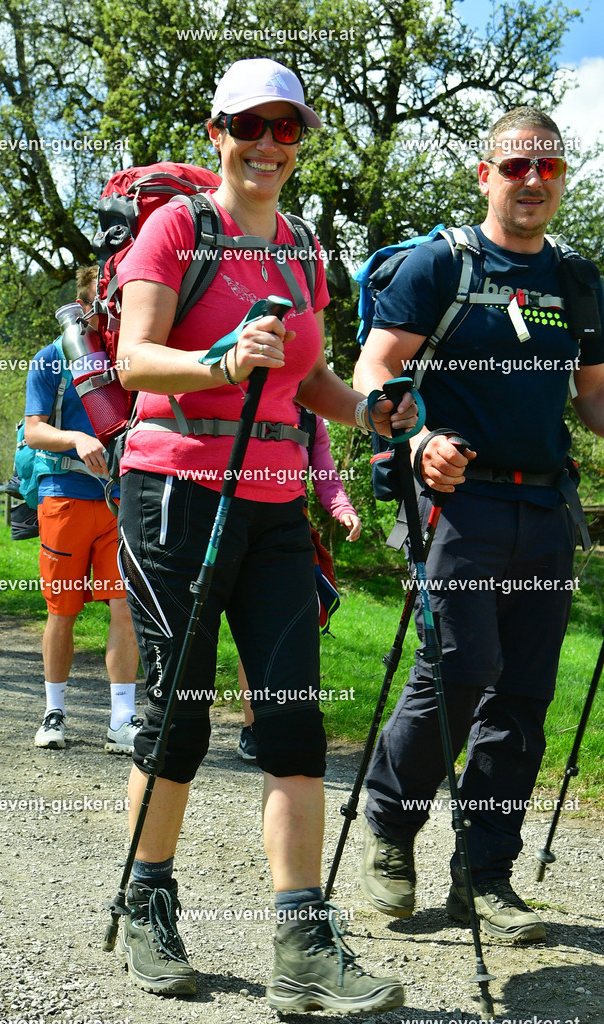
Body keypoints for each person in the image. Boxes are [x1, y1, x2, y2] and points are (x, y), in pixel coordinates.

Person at [113, 58, 414, 1012]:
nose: (269, 144)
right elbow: (133, 360)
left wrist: (366, 410)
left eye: (287, 129)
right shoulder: (178, 227)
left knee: (290, 715)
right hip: (173, 493)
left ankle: (302, 945)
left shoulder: (303, 247)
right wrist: (219, 359)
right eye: (250, 125)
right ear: (218, 133)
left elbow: (309, 379)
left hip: (276, 499)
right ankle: (147, 904)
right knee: (178, 711)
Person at [354, 106, 604, 944]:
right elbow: (376, 364)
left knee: (524, 692)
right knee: (458, 671)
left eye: (547, 167)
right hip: (457, 502)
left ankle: (484, 874)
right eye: (514, 166)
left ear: (560, 178)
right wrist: (415, 438)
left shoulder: (575, 280)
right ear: (483, 175)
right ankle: (392, 827)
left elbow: (593, 396)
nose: (531, 181)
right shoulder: (442, 264)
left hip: (545, 506)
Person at [25, 267, 140, 753]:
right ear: (84, 302)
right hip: (64, 495)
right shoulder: (51, 358)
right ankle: (53, 713)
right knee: (63, 610)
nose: (112, 308)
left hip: (118, 500)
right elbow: (34, 430)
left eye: (118, 298)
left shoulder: (129, 355)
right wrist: (75, 437)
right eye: (104, 299)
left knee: (125, 608)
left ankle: (122, 719)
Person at [238, 407, 361, 761]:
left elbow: (325, 474)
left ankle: (264, 727)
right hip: (227, 523)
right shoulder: (243, 398)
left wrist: (343, 509)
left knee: (272, 632)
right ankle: (245, 725)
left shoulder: (311, 418)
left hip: (287, 532)